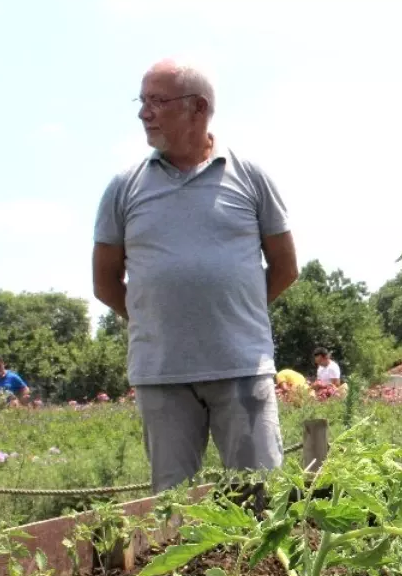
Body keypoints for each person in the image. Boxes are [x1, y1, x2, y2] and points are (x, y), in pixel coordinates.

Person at [91, 58, 299, 494]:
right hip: (161, 374)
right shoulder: (124, 186)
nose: (144, 113)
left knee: (261, 503)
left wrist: (232, 315)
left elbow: (285, 267)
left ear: (197, 108)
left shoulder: (250, 176)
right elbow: (105, 283)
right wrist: (160, 321)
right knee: (173, 511)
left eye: (157, 101)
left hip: (242, 367)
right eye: (142, 101)